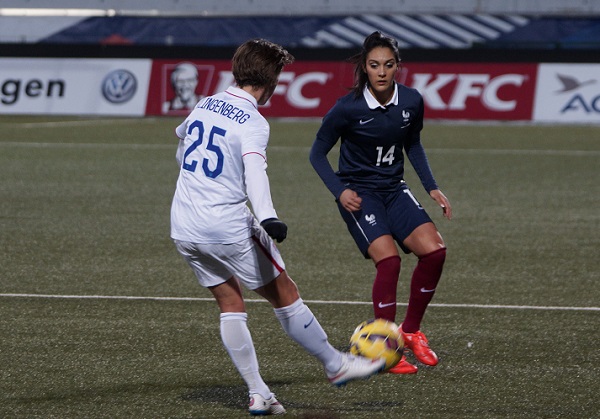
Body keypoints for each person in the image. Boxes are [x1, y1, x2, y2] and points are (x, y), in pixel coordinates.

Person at [170, 39, 385, 416]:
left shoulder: (206, 102)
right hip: (226, 226)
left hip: (184, 225)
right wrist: (267, 215)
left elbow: (182, 141)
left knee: (230, 302)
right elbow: (255, 170)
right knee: (285, 293)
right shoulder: (253, 121)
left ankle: (259, 393)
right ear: (271, 81)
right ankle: (336, 366)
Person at [309, 31, 452, 375]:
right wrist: (340, 191)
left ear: (398, 67)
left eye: (389, 65)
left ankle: (411, 331)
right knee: (388, 262)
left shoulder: (412, 100)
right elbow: (316, 154)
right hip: (360, 195)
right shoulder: (348, 108)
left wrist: (431, 186)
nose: (382, 72)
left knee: (435, 252)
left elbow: (412, 144)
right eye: (374, 65)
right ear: (364, 67)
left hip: (394, 189)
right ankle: (383, 351)